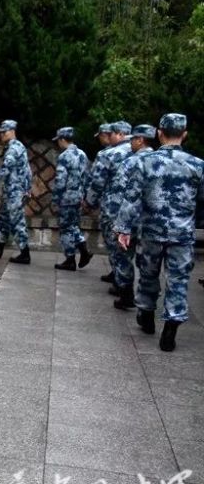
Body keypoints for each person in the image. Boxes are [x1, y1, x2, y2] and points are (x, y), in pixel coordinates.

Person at [115, 113, 204, 351]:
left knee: (148, 273)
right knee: (178, 279)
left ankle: (146, 313)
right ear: (184, 134)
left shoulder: (144, 162)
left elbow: (131, 197)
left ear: (159, 133)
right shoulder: (197, 165)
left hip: (151, 231)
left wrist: (123, 228)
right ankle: (171, 327)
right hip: (182, 234)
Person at [111, 124, 156, 310]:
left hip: (130, 220)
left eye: (133, 139)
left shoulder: (131, 162)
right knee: (148, 262)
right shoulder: (159, 161)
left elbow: (120, 193)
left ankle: (126, 294)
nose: (130, 143)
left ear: (140, 140)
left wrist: (118, 222)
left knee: (124, 257)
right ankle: (146, 303)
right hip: (152, 223)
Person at [84, 121, 132, 289]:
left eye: (110, 134)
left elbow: (97, 183)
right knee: (128, 246)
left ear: (119, 134)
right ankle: (121, 277)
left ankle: (122, 283)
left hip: (113, 207)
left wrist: (89, 202)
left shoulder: (109, 154)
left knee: (114, 244)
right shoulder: (141, 153)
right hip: (135, 208)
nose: (108, 138)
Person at [0, 120, 32, 264]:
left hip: (14, 193)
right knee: (3, 219)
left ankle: (25, 253)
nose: (2, 134)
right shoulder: (18, 146)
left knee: (17, 222)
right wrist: (28, 188)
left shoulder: (13, 149)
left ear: (12, 131)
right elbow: (28, 170)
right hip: (12, 192)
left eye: (5, 131)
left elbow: (5, 169)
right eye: (1, 132)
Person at [50, 127, 93, 271]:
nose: (58, 144)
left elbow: (60, 180)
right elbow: (88, 177)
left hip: (67, 198)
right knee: (73, 225)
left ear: (62, 140)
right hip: (78, 196)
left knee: (65, 228)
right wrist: (85, 196)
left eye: (58, 141)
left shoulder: (64, 156)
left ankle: (70, 259)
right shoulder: (82, 154)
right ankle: (84, 250)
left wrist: (56, 199)